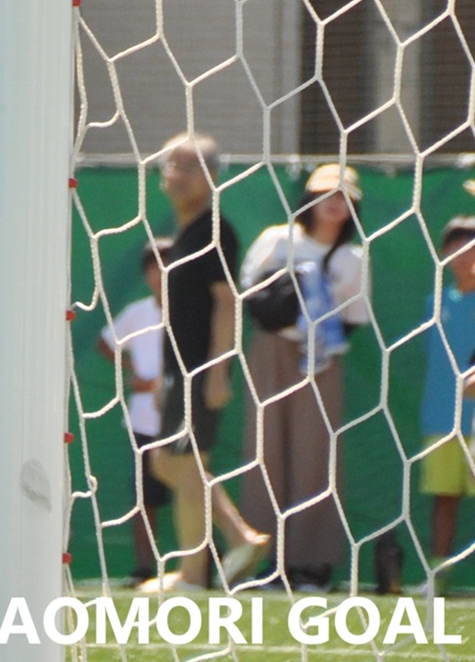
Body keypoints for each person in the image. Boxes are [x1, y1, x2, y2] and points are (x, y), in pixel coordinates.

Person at [141, 133, 269, 593]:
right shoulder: (186, 233)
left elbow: (226, 302)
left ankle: (194, 574)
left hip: (200, 369)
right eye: (171, 165)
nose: (177, 175)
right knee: (167, 464)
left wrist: (217, 371)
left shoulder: (216, 230)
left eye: (190, 166)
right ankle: (240, 537)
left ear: (213, 176)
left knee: (187, 465)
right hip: (181, 370)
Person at [237, 163, 371, 589]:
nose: (335, 203)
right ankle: (266, 559)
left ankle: (313, 563)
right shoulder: (278, 239)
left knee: (316, 455)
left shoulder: (354, 259)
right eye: (326, 194)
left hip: (323, 359)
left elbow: (355, 316)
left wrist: (320, 337)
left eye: (344, 197)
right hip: (270, 350)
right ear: (309, 199)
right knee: (265, 451)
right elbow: (248, 290)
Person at [98, 239, 171, 583]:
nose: (162, 273)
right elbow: (105, 342)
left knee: (194, 494)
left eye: (168, 264)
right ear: (146, 274)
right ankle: (145, 569)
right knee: (145, 499)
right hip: (143, 421)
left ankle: (200, 568)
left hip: (185, 419)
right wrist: (134, 375)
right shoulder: (137, 313)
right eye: (154, 267)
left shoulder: (192, 311)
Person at [416, 213, 475, 595]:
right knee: (444, 499)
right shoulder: (434, 304)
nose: (465, 253)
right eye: (456, 246)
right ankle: (438, 577)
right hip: (441, 418)